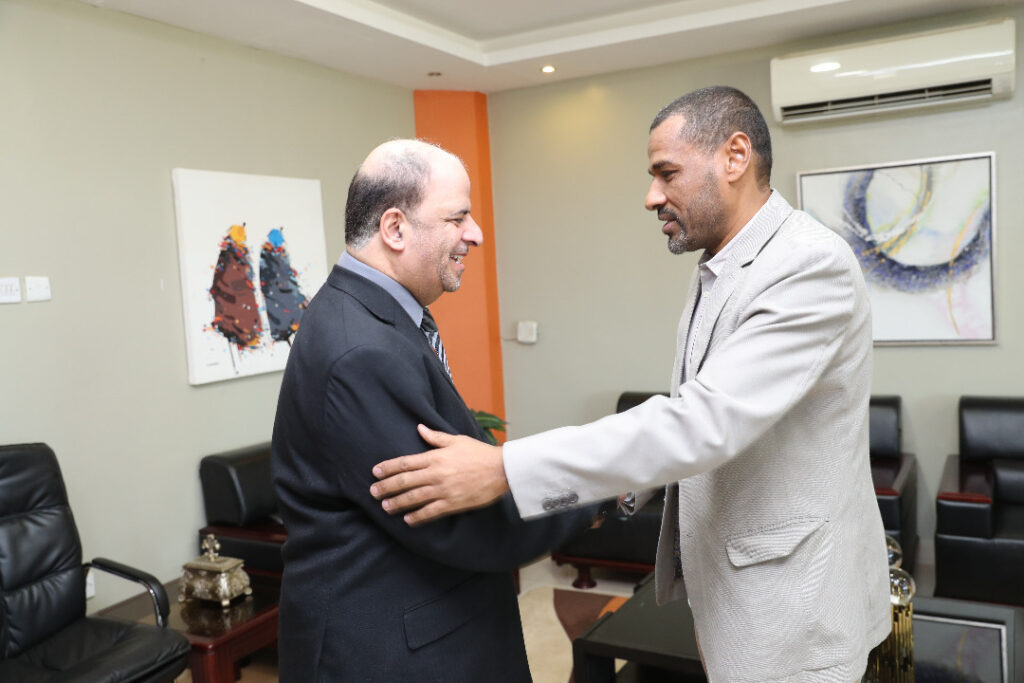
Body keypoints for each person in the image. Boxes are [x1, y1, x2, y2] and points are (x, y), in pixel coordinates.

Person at [370, 88, 892, 681]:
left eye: (667, 174)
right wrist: (614, 494)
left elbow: (702, 423)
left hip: (796, 611)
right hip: (735, 601)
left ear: (735, 156)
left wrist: (503, 468)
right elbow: (700, 415)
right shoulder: (721, 264)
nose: (652, 196)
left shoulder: (808, 264)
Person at [271, 139, 598, 682]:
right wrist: (600, 483)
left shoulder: (373, 316)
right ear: (395, 229)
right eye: (457, 217)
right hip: (392, 654)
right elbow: (464, 519)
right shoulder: (362, 351)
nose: (476, 233)